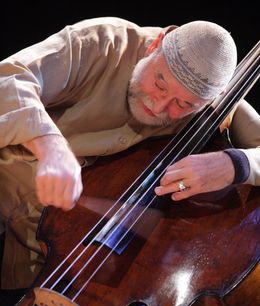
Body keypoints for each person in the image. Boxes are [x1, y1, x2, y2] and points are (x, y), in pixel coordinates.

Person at [0, 17, 259, 290]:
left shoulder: (217, 105)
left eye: (183, 104)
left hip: (45, 254)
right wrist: (50, 146)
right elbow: (10, 77)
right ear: (155, 46)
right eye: (160, 84)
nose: (159, 107)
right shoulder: (103, 42)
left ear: (213, 98)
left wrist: (233, 163)